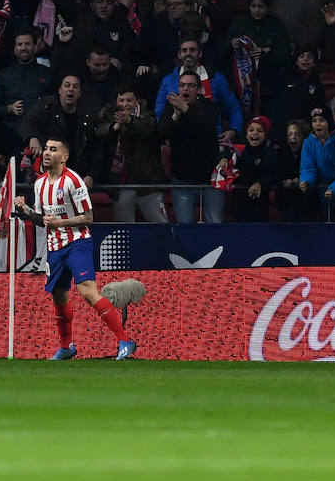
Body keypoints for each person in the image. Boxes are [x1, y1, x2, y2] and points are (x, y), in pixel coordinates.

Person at [14, 137, 137, 361]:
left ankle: (125, 341)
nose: (47, 153)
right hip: (54, 248)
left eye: (53, 150)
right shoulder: (39, 183)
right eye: (47, 149)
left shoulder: (73, 181)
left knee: (87, 291)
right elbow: (43, 220)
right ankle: (66, 347)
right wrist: (26, 210)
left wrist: (60, 223)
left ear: (64, 157)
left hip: (77, 243)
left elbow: (89, 217)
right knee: (60, 297)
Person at [158, 69, 229, 224]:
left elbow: (204, 126)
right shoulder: (171, 108)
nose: (185, 89)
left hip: (209, 179)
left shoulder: (209, 107)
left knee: (216, 225)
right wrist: (175, 117)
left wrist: (184, 109)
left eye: (190, 85)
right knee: (185, 228)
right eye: (182, 85)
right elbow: (161, 133)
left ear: (199, 89)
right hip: (182, 180)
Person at [95, 86, 167, 223]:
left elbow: (150, 129)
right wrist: (114, 127)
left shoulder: (147, 115)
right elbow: (99, 131)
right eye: (121, 100)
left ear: (137, 101)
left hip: (147, 181)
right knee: (124, 229)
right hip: (121, 182)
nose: (125, 104)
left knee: (160, 224)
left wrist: (130, 121)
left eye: (129, 100)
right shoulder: (108, 113)